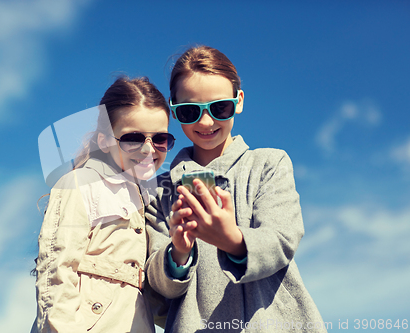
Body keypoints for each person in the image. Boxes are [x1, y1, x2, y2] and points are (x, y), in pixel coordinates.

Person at [145, 46, 327, 332]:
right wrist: (178, 253)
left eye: (219, 108)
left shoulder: (269, 164)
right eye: (190, 111)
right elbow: (156, 284)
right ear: (175, 112)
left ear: (238, 101)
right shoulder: (159, 191)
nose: (206, 122)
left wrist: (233, 240)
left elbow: (282, 239)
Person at [31, 76, 175, 333]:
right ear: (104, 140)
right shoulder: (79, 183)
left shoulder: (146, 201)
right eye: (133, 138)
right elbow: (56, 271)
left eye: (160, 139)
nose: (148, 149)